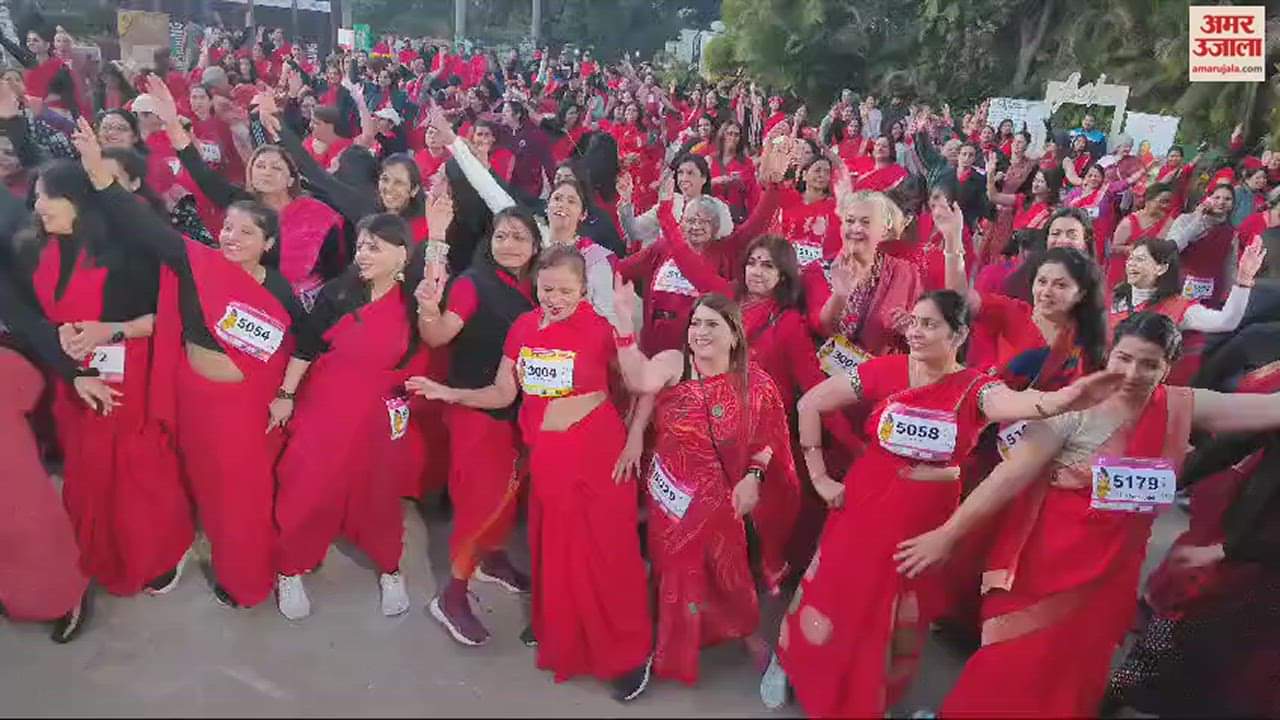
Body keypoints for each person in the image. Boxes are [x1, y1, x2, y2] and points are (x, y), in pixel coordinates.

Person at [894, 312, 1280, 718]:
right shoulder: (1072, 410)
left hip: (1111, 578)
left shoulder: (1179, 406)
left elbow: (1270, 409)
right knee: (1010, 669)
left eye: (1150, 364)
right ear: (1108, 355)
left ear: (1168, 368)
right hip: (1043, 572)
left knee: (1076, 677)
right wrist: (948, 535)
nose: (1133, 373)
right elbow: (1006, 479)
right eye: (1125, 358)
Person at [761, 290, 1122, 717]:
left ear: (959, 335)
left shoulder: (975, 389)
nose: (915, 332)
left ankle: (869, 691)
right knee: (833, 593)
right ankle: (789, 663)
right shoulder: (885, 371)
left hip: (924, 525)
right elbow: (810, 402)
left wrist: (1062, 400)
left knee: (895, 610)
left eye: (929, 324)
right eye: (913, 321)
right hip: (863, 508)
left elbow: (1021, 403)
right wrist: (820, 478)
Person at [77, 115, 316, 609]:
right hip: (193, 397)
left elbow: (308, 342)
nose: (230, 238)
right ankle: (181, 546)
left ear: (268, 244)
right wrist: (99, 172)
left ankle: (246, 577)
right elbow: (139, 222)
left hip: (247, 411)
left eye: (245, 233)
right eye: (227, 228)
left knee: (241, 500)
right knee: (199, 482)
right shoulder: (198, 264)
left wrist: (287, 396)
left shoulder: (278, 290)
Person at [409, 246, 654, 700]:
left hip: (599, 456)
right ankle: (561, 631)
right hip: (548, 458)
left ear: (583, 290)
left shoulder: (601, 329)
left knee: (607, 553)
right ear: (535, 286)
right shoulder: (522, 328)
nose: (555, 297)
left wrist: (625, 330)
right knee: (556, 550)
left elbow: (642, 383)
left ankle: (626, 652)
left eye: (566, 289)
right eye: (547, 288)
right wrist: (448, 393)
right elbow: (504, 394)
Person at [22, 156, 196, 599]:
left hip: (126, 375)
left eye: (48, 196)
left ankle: (159, 553)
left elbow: (164, 319)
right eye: (37, 195)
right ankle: (103, 547)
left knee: (136, 470)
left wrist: (106, 330)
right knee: (88, 467)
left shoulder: (126, 253)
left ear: (78, 201)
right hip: (73, 377)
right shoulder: (36, 248)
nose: (38, 204)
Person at [611, 289, 801, 686]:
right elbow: (641, 380)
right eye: (695, 323)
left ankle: (747, 633)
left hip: (722, 498)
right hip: (672, 497)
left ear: (734, 335)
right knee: (674, 569)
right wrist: (626, 328)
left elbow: (768, 438)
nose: (700, 331)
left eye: (711, 324)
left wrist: (754, 476)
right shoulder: (674, 363)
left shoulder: (756, 383)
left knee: (727, 569)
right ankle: (666, 646)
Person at [272, 214, 421, 621]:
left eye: (375, 246)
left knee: (380, 493)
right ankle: (290, 568)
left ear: (402, 255)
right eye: (361, 245)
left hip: (381, 412)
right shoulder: (337, 293)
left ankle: (390, 569)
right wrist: (285, 394)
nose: (363, 254)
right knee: (308, 485)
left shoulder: (414, 304)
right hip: (328, 405)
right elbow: (305, 346)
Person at [413, 206, 541, 646]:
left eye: (520, 237)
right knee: (477, 503)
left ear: (536, 246)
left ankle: (494, 558)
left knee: (506, 495)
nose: (509, 245)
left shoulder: (539, 289)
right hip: (475, 410)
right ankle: (452, 593)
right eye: (502, 236)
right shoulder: (472, 284)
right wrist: (428, 311)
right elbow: (438, 335)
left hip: (521, 414)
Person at [146, 76, 348, 308]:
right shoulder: (241, 204)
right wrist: (172, 123)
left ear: (291, 177)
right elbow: (201, 173)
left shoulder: (318, 214)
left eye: (275, 167)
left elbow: (336, 268)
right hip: (248, 304)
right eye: (260, 166)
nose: (266, 172)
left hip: (308, 310)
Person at [618, 146, 787, 355]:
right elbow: (620, 269)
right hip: (655, 345)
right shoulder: (663, 248)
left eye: (704, 221)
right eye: (690, 220)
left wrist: (775, 186)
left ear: (716, 227)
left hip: (699, 350)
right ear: (681, 223)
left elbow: (757, 223)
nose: (696, 226)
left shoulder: (726, 249)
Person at [802, 190, 923, 366]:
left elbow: (922, 333)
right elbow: (821, 328)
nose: (856, 228)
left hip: (882, 378)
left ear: (883, 230)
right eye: (850, 221)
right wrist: (840, 295)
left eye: (866, 222)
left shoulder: (905, 273)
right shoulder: (818, 270)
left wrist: (909, 328)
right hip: (827, 379)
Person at [1166, 182, 1235, 305]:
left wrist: (1230, 294)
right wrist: (1197, 219)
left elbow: (1230, 265)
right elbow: (1173, 247)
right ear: (1207, 199)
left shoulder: (1231, 232)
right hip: (1180, 285)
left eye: (1227, 199)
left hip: (1213, 291)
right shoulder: (1185, 220)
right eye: (1216, 197)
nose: (1221, 202)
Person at [775, 151, 840, 268]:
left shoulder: (835, 207)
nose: (822, 175)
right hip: (788, 265)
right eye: (817, 170)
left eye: (827, 172)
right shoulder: (789, 199)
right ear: (804, 175)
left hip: (823, 269)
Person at [1106, 183, 1174, 287]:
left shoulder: (1168, 222)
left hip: (1148, 277)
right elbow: (1113, 248)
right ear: (1148, 201)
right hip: (1123, 273)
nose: (1166, 206)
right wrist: (1129, 249)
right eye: (1162, 201)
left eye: (1169, 202)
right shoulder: (1129, 222)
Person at [708, 120, 758, 224]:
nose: (733, 138)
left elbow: (752, 194)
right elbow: (700, 187)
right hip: (711, 214)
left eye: (736, 135)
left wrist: (740, 183)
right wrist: (715, 181)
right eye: (729, 133)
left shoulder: (746, 163)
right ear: (723, 135)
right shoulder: (710, 160)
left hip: (735, 216)